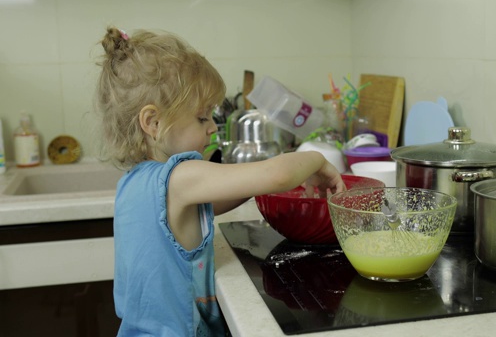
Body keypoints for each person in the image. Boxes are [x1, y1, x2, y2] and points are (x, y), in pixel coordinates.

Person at [94, 26, 346, 337]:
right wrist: (316, 159)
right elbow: (278, 175)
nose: (213, 128)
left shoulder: (135, 183)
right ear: (153, 123)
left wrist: (251, 187)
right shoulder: (179, 177)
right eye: (202, 118)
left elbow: (208, 205)